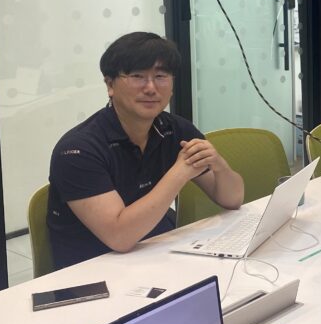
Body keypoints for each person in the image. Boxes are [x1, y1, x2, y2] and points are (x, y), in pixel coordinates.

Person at [47, 32, 245, 269]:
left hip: (157, 252)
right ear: (110, 85)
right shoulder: (78, 150)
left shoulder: (174, 129)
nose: (151, 88)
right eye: (137, 76)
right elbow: (119, 237)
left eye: (161, 76)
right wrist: (180, 172)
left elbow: (232, 199)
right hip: (95, 270)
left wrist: (219, 165)